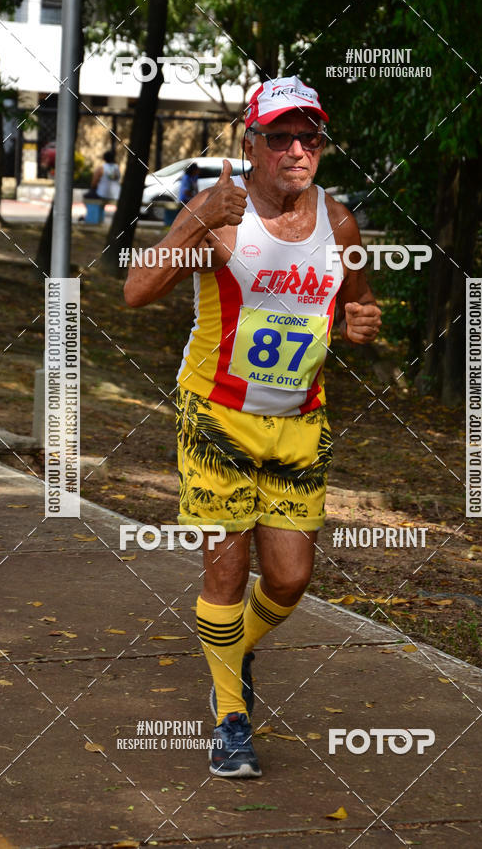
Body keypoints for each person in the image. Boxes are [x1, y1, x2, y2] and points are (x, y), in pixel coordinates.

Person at [123, 76, 381, 778]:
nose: (297, 150)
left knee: (292, 580)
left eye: (310, 137)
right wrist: (194, 218)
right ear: (251, 143)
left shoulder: (341, 222)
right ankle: (231, 717)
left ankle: (229, 657)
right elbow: (136, 290)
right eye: (280, 137)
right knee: (228, 572)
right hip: (214, 417)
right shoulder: (222, 220)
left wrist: (362, 323)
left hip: (300, 422)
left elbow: (357, 302)